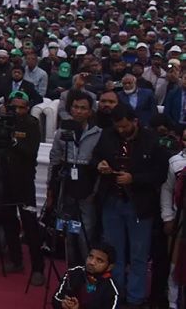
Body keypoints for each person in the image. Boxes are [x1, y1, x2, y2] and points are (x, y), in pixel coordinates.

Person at [93, 103, 168, 307]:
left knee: (138, 254)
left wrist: (134, 178)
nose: (121, 130)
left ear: (135, 121)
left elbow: (160, 173)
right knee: (113, 253)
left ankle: (135, 299)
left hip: (139, 204)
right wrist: (100, 164)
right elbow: (96, 156)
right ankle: (116, 295)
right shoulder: (108, 135)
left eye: (125, 126)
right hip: (111, 200)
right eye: (118, 126)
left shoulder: (151, 140)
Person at [0, 90, 45, 284]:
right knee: (8, 220)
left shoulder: (32, 124)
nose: (18, 110)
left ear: (27, 108)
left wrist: (12, 140)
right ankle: (16, 259)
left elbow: (31, 152)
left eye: (22, 107)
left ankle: (38, 268)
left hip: (24, 180)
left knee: (30, 224)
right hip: (4, 178)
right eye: (14, 107)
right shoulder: (2, 121)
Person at [47, 90, 101, 264]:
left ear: (90, 111)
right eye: (75, 107)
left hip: (88, 193)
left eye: (83, 108)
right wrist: (51, 188)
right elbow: (54, 160)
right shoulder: (61, 132)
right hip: (66, 190)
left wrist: (96, 192)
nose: (78, 111)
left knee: (86, 235)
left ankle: (90, 274)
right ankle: (71, 277)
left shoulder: (98, 134)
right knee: (69, 234)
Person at [160, 127, 186, 309]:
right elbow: (167, 190)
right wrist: (167, 216)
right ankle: (172, 302)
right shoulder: (175, 162)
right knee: (175, 264)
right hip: (180, 219)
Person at [51, 243, 119, 309]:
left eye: (99, 260)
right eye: (90, 256)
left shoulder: (112, 291)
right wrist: (63, 304)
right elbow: (56, 298)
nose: (92, 262)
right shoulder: (73, 273)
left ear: (110, 267)